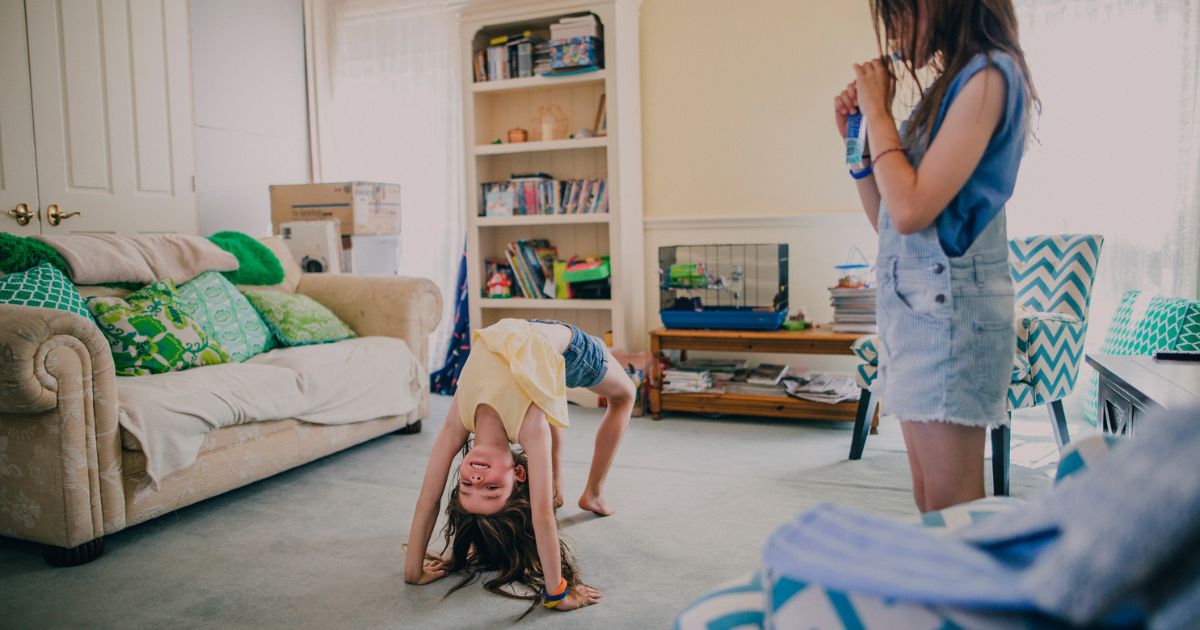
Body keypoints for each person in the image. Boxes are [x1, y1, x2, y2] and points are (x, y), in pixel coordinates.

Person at [833, 0, 1040, 511]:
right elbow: (890, 219)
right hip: (917, 312)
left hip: (952, 318)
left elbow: (911, 210)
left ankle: (967, 593)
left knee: (953, 506)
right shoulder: (955, 83)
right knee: (930, 498)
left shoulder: (991, 75)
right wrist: (859, 147)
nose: (894, 32)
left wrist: (880, 112)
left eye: (900, 14)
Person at [403, 318, 635, 614]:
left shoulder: (460, 417)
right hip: (565, 347)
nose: (476, 476)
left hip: (529, 342)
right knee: (626, 395)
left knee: (548, 410)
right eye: (491, 487)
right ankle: (594, 493)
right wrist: (556, 593)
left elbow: (429, 497)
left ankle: (557, 490)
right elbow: (540, 515)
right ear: (518, 473)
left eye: (467, 485)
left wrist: (413, 571)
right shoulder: (529, 426)